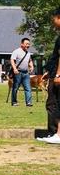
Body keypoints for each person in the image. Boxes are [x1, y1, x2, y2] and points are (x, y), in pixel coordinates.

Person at [39, 8, 60, 143]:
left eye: (54, 18)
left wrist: (58, 74)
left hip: (57, 75)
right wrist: (49, 71)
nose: (53, 22)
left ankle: (54, 133)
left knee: (53, 104)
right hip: (53, 72)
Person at [10, 37, 34, 107]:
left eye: (29, 44)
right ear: (22, 44)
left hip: (26, 73)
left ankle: (28, 102)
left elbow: (30, 60)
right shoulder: (16, 52)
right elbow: (12, 60)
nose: (28, 45)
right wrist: (15, 69)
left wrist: (31, 66)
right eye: (26, 44)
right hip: (18, 72)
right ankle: (14, 102)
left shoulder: (28, 53)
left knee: (28, 88)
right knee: (15, 88)